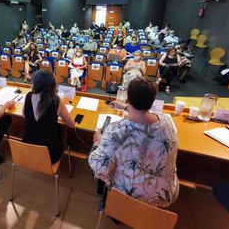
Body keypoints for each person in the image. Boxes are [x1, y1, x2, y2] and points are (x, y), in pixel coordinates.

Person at [89, 77, 179, 208]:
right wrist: (126, 107)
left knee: (103, 161)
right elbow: (142, 113)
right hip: (164, 195)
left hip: (129, 197)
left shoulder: (116, 130)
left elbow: (99, 167)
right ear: (152, 100)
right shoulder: (167, 122)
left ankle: (110, 207)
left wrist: (97, 140)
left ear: (128, 98)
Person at [22, 69, 75, 164]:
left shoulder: (28, 96)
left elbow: (24, 114)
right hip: (49, 154)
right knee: (59, 130)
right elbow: (72, 125)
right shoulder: (56, 100)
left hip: (27, 148)